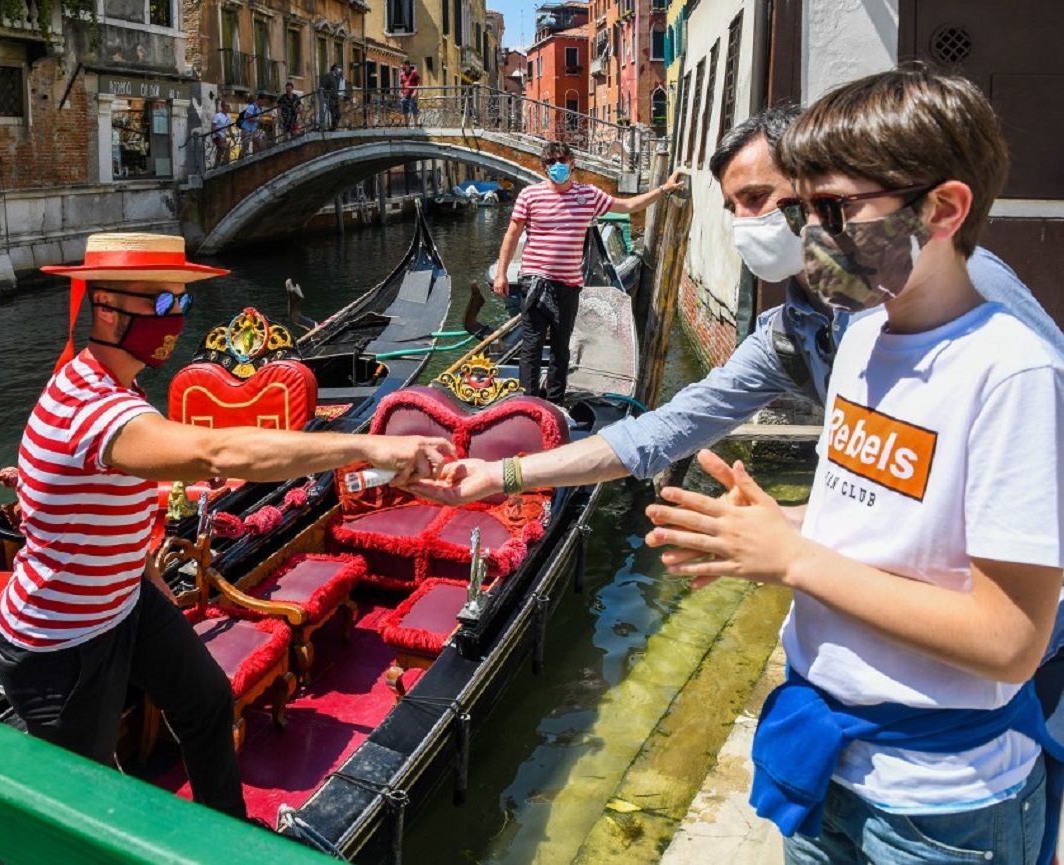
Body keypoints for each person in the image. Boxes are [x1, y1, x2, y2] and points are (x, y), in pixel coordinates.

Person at [646, 67, 1064, 865]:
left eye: (833, 210)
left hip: (942, 808)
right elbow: (888, 522)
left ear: (942, 209)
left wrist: (793, 556)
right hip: (831, 767)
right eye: (801, 208)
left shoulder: (1012, 373)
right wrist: (760, 533)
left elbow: (1011, 636)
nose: (808, 237)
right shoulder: (864, 336)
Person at [0, 232, 454, 821]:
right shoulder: (96, 410)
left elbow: (112, 512)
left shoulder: (117, 387)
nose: (175, 318)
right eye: (160, 304)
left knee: (206, 700)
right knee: (83, 805)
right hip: (60, 642)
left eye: (181, 303)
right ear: (105, 308)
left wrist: (147, 586)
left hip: (124, 600)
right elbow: (218, 453)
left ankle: (227, 834)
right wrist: (371, 447)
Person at [414, 106, 1061, 505]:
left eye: (758, 198)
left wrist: (789, 551)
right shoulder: (793, 330)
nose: (745, 223)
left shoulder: (964, 290)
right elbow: (661, 431)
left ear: (813, 188)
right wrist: (506, 473)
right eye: (732, 208)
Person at [492, 140, 687, 402]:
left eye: (562, 161)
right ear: (544, 167)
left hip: (568, 284)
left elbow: (628, 206)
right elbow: (512, 235)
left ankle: (554, 403)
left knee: (561, 348)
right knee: (532, 344)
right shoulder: (530, 195)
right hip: (535, 280)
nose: (557, 166)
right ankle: (529, 403)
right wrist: (502, 273)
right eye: (551, 163)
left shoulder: (588, 196)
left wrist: (663, 189)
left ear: (572, 164)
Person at [320, 64, 343, 131]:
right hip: (330, 98)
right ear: (335, 68)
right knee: (333, 113)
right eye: (339, 68)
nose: (340, 70)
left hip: (336, 98)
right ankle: (332, 128)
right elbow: (322, 88)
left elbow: (339, 88)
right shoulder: (328, 76)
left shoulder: (338, 78)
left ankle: (334, 127)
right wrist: (324, 97)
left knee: (338, 114)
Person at [211, 100, 232, 167]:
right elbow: (213, 127)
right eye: (227, 106)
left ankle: (220, 164)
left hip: (223, 136)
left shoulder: (229, 116)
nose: (229, 107)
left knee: (222, 150)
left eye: (229, 106)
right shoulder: (217, 116)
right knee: (224, 147)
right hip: (217, 136)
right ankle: (221, 163)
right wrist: (219, 135)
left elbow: (229, 127)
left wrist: (232, 134)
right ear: (222, 107)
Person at [399, 60, 420, 126]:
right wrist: (401, 93)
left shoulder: (414, 72)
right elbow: (402, 84)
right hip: (405, 95)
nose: (402, 66)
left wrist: (415, 92)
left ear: (407, 65)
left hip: (412, 95)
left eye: (403, 65)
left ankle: (416, 125)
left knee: (414, 111)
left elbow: (418, 84)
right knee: (405, 112)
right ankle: (407, 127)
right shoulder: (402, 74)